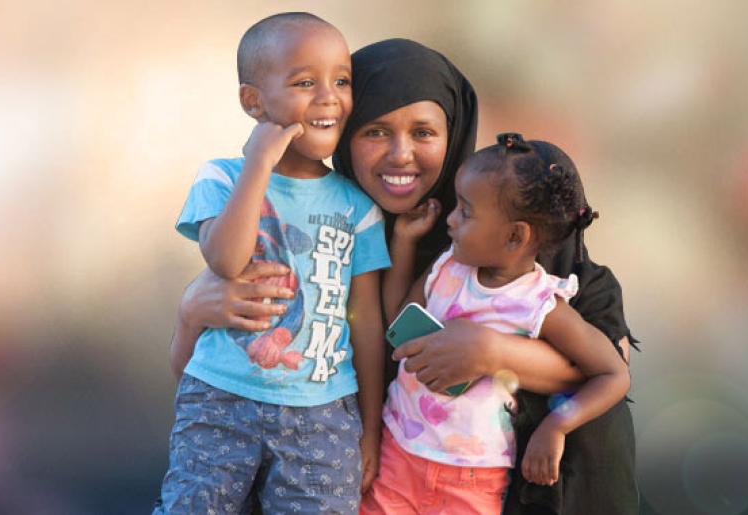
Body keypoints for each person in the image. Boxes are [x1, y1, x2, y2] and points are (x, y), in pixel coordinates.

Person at [168, 38, 639, 514]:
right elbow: (205, 389)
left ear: (452, 133)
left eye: (423, 133)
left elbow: (604, 371)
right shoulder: (298, 231)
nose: (400, 154)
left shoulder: (520, 247)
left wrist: (493, 350)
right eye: (374, 132)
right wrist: (190, 314)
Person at [156, 13, 390, 513]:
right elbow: (224, 259)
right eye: (306, 82)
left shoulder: (357, 205)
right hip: (220, 400)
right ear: (253, 101)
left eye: (342, 81)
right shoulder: (222, 177)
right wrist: (259, 164)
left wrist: (369, 429)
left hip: (325, 415)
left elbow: (367, 321)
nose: (330, 96)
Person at [362, 132, 631, 514]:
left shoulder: (540, 304)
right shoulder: (447, 268)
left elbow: (613, 374)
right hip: (398, 454)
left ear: (515, 236)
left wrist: (556, 426)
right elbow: (398, 321)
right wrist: (404, 243)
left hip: (472, 479)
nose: (451, 220)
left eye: (466, 211)